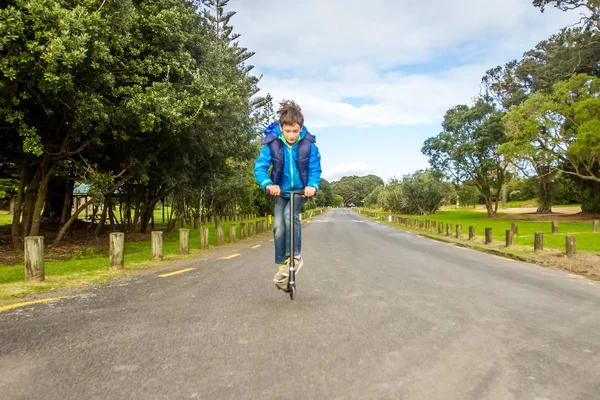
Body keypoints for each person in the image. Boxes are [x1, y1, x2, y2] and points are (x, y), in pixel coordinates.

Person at [254, 100, 322, 289]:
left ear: (301, 129)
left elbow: (315, 170)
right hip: (280, 191)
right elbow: (260, 168)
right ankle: (284, 261)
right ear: (281, 128)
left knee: (289, 216)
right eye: (288, 131)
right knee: (278, 225)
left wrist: (312, 185)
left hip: (300, 190)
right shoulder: (272, 144)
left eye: (296, 131)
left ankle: (296, 255)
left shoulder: (309, 146)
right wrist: (268, 184)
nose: (292, 136)